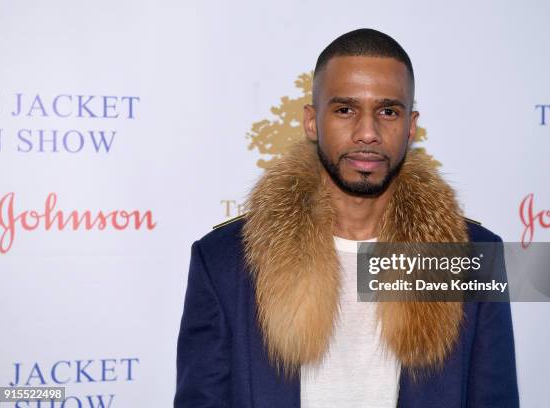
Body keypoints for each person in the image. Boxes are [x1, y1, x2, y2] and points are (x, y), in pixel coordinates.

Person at [174, 28, 519, 407]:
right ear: (311, 121)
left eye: (388, 111)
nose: (367, 132)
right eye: (345, 110)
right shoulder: (225, 261)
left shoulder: (472, 257)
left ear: (411, 127)